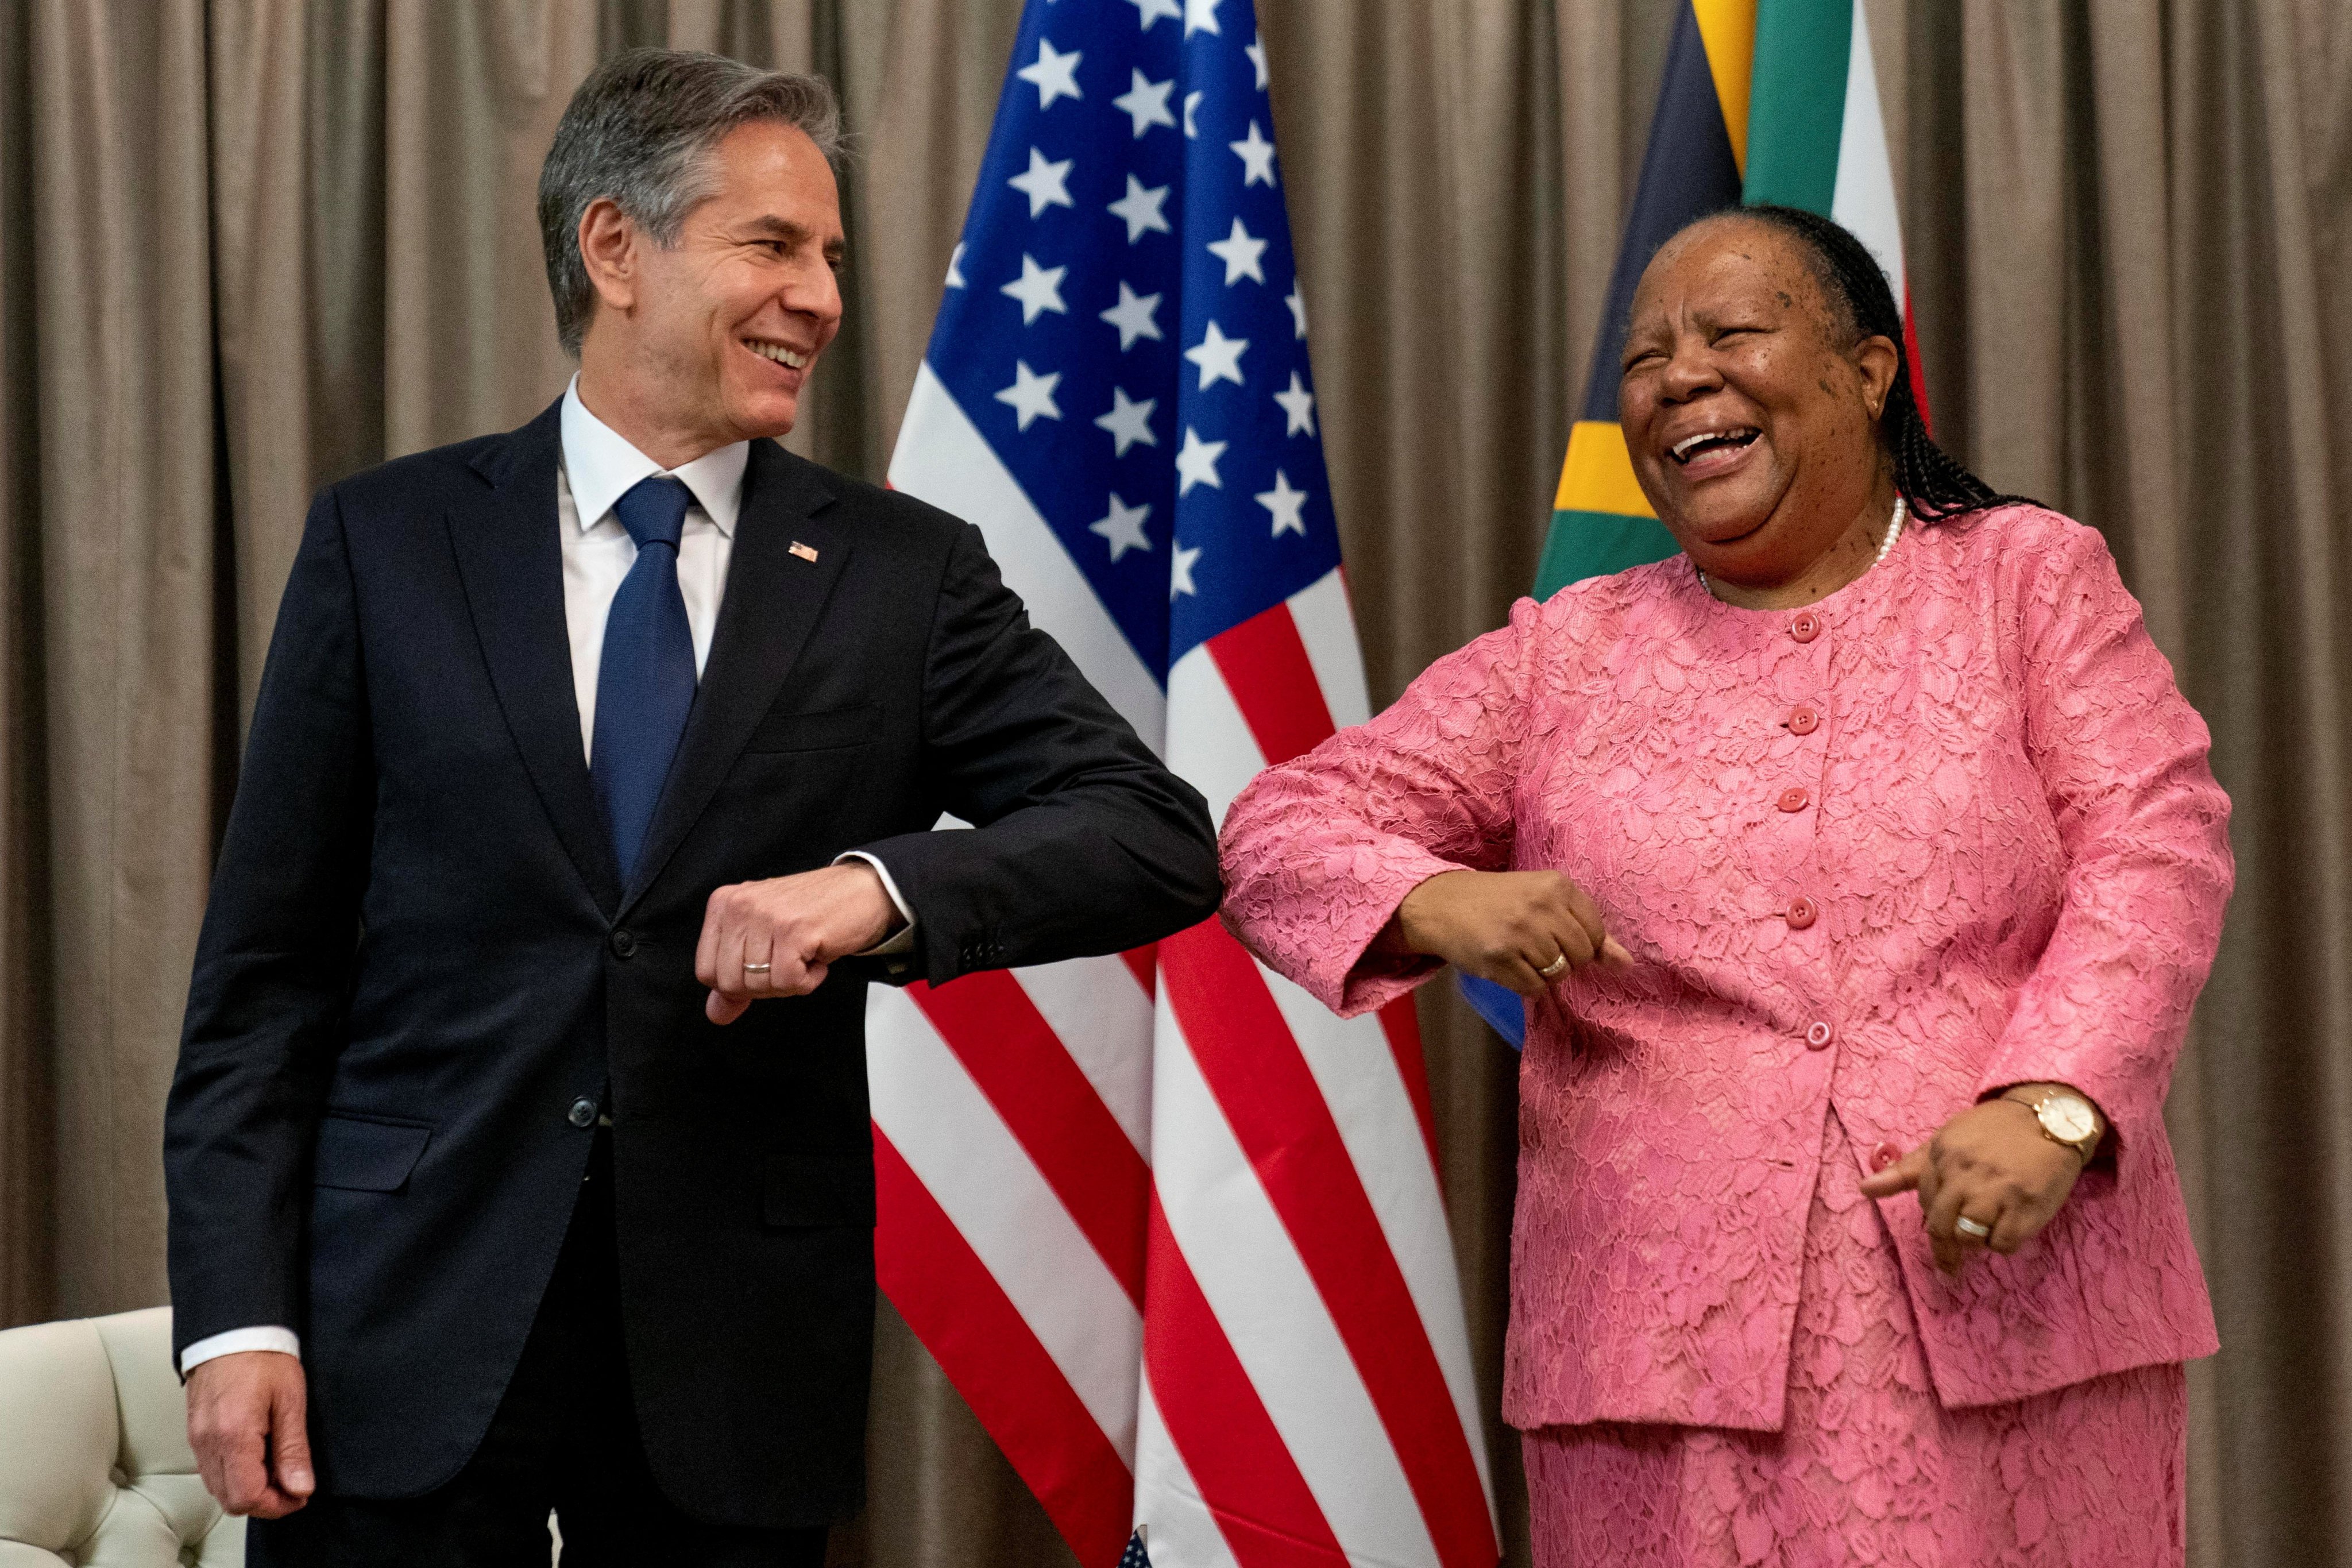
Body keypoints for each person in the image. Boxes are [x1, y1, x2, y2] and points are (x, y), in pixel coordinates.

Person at [164, 49, 1219, 1567]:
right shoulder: (386, 543)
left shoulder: (901, 576)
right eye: (774, 246)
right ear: (615, 250)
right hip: (398, 1322)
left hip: (729, 1355)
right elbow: (262, 986)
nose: (824, 300)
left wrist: (877, 888)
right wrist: (237, 1314)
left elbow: (1156, 834)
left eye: (835, 259)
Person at [1219, 204, 2231, 1566]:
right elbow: (1276, 824)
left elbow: (2151, 843)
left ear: (1867, 371)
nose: (1677, 378)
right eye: (1645, 359)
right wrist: (1426, 900)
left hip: (2002, 1311)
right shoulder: (1565, 653)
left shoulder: (2024, 580)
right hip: (1658, 1375)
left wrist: (2051, 1102)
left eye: (1731, 334)